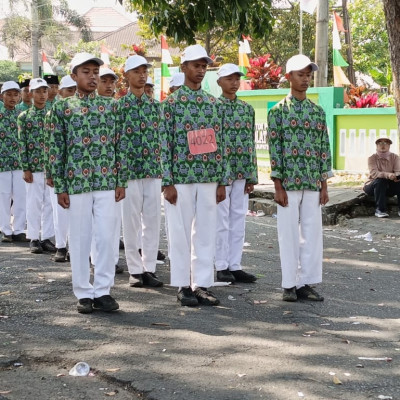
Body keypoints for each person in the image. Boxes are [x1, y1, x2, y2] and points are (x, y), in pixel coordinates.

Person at [48, 52, 127, 314]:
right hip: (76, 183)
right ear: (74, 76)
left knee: (106, 237)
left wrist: (121, 181)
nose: (92, 76)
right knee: (80, 239)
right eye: (86, 72)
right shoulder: (61, 107)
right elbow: (56, 149)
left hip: (106, 182)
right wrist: (60, 186)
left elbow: (120, 146)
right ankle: (83, 292)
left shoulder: (112, 106)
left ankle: (103, 290)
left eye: (95, 71)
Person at [160, 44, 228, 307]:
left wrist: (221, 181)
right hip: (181, 179)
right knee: (179, 233)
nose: (200, 70)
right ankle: (181, 284)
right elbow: (163, 144)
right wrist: (167, 182)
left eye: (204, 66)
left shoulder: (213, 104)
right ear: (183, 67)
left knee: (206, 233)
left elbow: (219, 144)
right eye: (196, 65)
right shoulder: (170, 105)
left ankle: (201, 284)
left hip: (209, 178)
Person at [267, 54, 333, 302]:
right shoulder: (278, 112)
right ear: (289, 77)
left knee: (312, 234)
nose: (305, 79)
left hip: (312, 183)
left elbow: (323, 148)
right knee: (288, 234)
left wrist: (324, 184)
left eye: (308, 75)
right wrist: (277, 185)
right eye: (300, 75)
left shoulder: (317, 112)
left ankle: (306, 282)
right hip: (288, 183)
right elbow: (275, 150)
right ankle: (288, 285)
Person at [119, 55, 164, 288]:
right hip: (129, 173)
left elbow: (163, 140)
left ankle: (149, 268)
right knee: (131, 222)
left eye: (145, 70)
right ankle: (135, 270)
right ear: (126, 75)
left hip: (153, 170)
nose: (142, 74)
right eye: (136, 71)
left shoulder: (156, 107)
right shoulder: (118, 107)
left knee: (152, 221)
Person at [214, 64, 258, 284]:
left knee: (238, 220)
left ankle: (235, 264)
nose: (233, 82)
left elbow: (251, 143)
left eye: (236, 78)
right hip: (221, 174)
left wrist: (252, 176)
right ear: (219, 82)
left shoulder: (246, 109)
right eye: (228, 78)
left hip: (241, 171)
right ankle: (221, 265)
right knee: (221, 221)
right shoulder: (213, 107)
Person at [90, 66, 124, 274]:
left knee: (110, 224)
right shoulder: (87, 106)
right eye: (105, 81)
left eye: (112, 82)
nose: (109, 85)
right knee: (92, 226)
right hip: (86, 176)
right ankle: (95, 259)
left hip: (110, 176)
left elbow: (122, 145)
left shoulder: (117, 107)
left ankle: (111, 260)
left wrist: (122, 178)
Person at [18, 78, 56, 254]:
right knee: (33, 203)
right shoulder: (24, 117)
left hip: (51, 167)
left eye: (44, 91)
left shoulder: (53, 114)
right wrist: (25, 168)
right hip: (33, 168)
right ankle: (33, 237)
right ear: (31, 93)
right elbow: (22, 144)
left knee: (49, 203)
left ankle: (47, 237)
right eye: (38, 91)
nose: (42, 95)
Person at [44, 75, 76, 262]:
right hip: (59, 170)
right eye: (69, 90)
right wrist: (50, 173)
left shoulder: (80, 111)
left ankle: (75, 248)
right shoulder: (54, 112)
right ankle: (61, 246)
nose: (72, 93)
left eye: (74, 90)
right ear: (60, 92)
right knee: (60, 212)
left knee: (77, 213)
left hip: (77, 172)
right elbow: (50, 146)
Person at [0, 81, 28, 243]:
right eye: (8, 94)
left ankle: (18, 229)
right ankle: (5, 229)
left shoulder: (22, 114)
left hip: (19, 163)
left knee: (20, 196)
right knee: (3, 196)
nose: (12, 97)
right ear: (2, 96)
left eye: (16, 94)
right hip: (2, 162)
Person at [363, 137, 400, 218]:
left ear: (389, 146)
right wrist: (388, 175)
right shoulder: (372, 158)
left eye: (386, 143)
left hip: (389, 186)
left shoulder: (395, 157)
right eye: (380, 143)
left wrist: (396, 176)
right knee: (380, 181)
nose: (383, 145)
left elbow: (398, 171)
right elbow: (374, 173)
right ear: (376, 146)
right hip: (372, 186)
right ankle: (380, 210)